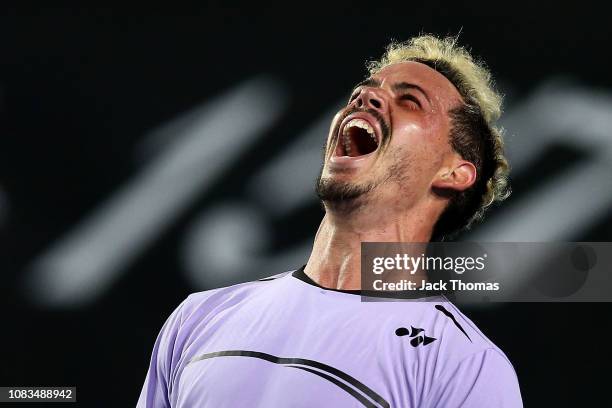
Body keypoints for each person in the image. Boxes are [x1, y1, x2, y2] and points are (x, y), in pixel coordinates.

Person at [137, 35, 523, 407]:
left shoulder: (463, 365)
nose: (365, 97)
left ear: (453, 172)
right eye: (363, 91)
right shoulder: (200, 316)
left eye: (409, 101)